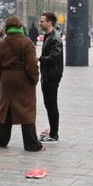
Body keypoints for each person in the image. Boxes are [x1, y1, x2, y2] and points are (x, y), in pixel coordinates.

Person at [0, 15, 43, 152]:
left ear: (7, 28)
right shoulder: (27, 43)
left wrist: (4, 77)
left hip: (7, 78)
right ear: (20, 27)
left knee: (5, 108)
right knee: (27, 108)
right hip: (23, 78)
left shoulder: (1, 43)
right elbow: (32, 65)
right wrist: (34, 79)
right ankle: (31, 143)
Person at [38, 12, 63, 144]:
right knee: (49, 104)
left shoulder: (55, 38)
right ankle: (53, 132)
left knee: (51, 104)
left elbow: (53, 58)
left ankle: (54, 134)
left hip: (52, 76)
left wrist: (39, 59)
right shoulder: (48, 36)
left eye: (42, 21)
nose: (40, 23)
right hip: (47, 75)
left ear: (49, 23)